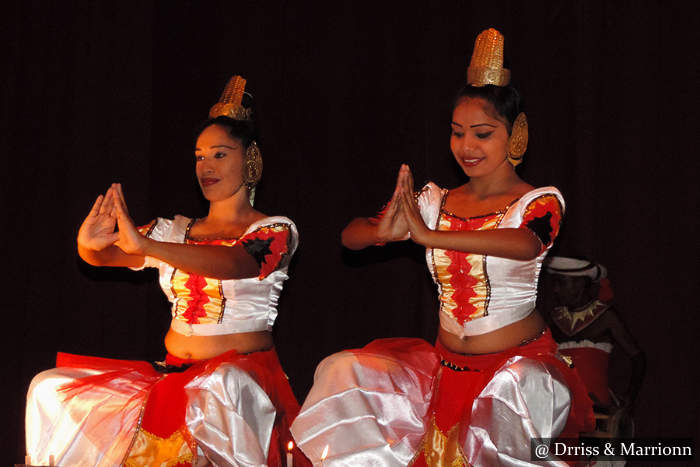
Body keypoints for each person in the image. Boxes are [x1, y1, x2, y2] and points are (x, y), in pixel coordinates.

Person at [290, 29, 594, 466]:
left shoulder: (538, 202)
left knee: (511, 398)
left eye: (482, 133)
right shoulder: (436, 200)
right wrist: (384, 231)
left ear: (516, 134)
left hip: (516, 371)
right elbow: (350, 236)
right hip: (444, 369)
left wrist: (431, 237)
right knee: (344, 371)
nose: (466, 146)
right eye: (457, 133)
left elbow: (525, 245)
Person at [25, 76, 305, 467]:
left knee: (220, 386)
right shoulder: (171, 231)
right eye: (199, 156)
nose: (205, 166)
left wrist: (150, 248)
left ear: (251, 159)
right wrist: (86, 245)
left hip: (242, 381)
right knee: (49, 387)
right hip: (173, 374)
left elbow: (235, 264)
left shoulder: (274, 230)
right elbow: (106, 257)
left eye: (220, 155)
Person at [543, 256, 645, 417]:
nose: (555, 289)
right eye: (555, 283)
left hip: (598, 410)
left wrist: (629, 400)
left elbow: (638, 359)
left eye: (561, 283)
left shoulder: (605, 317)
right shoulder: (554, 319)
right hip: (559, 411)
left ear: (580, 284)